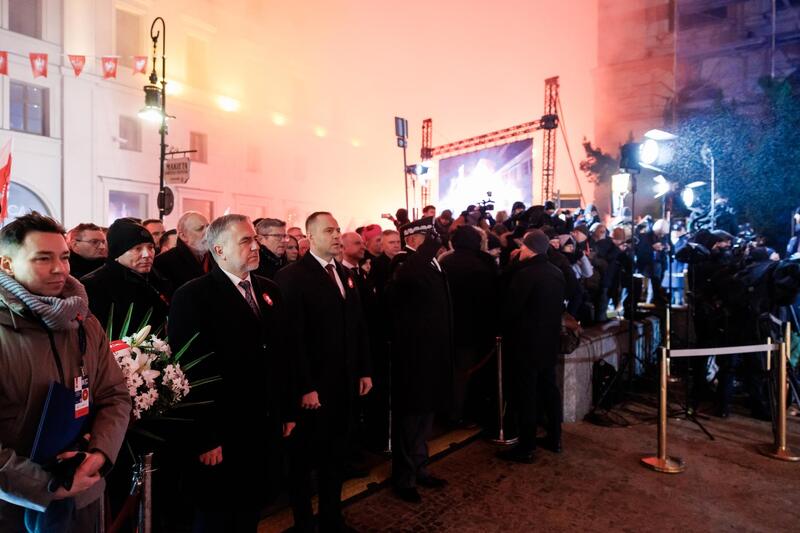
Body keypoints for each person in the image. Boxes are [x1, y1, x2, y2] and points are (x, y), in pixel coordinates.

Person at [0, 212, 130, 530]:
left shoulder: (82, 320)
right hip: (13, 505)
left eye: (64, 257)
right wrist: (46, 486)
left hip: (83, 491)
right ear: (7, 265)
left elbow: (114, 395)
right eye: (43, 258)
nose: (60, 268)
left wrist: (99, 454)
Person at [168, 214, 294, 532]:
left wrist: (285, 410)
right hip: (222, 430)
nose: (255, 247)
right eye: (245, 241)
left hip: (262, 425)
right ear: (219, 249)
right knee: (218, 517)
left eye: (255, 239)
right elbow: (189, 371)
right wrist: (205, 437)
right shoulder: (193, 296)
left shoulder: (268, 290)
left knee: (251, 510)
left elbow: (282, 354)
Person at [275, 212, 372, 533]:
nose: (336, 235)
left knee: (336, 456)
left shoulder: (344, 274)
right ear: (310, 237)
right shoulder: (292, 276)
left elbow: (357, 327)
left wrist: (364, 370)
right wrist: (305, 386)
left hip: (344, 384)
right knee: (303, 461)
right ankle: (304, 523)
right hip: (313, 388)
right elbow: (292, 339)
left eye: (338, 230)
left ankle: (332, 518)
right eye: (329, 231)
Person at [388, 217, 453, 503]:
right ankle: (404, 478)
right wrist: (426, 250)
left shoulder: (432, 264)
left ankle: (420, 467)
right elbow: (406, 279)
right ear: (413, 240)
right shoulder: (404, 263)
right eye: (429, 237)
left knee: (425, 419)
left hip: (433, 355)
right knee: (410, 420)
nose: (434, 242)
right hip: (413, 358)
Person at [499, 229, 565, 463]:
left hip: (526, 344)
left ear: (529, 248)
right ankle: (555, 437)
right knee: (549, 389)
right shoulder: (556, 272)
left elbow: (511, 309)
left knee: (526, 394)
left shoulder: (525, 274)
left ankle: (526, 446)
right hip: (549, 342)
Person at [439, 225, 498, 425]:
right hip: (474, 329)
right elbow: (490, 299)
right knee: (466, 374)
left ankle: (445, 412)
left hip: (447, 326)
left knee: (450, 372)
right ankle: (460, 414)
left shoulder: (445, 261)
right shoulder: (483, 263)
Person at [82, 218, 171, 336]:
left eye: (150, 247)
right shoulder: (94, 285)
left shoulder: (157, 278)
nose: (147, 254)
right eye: (137, 248)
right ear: (117, 253)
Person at [153, 211, 211, 291]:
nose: (207, 233)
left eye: (208, 227)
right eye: (199, 229)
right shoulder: (163, 262)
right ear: (183, 236)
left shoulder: (216, 257)